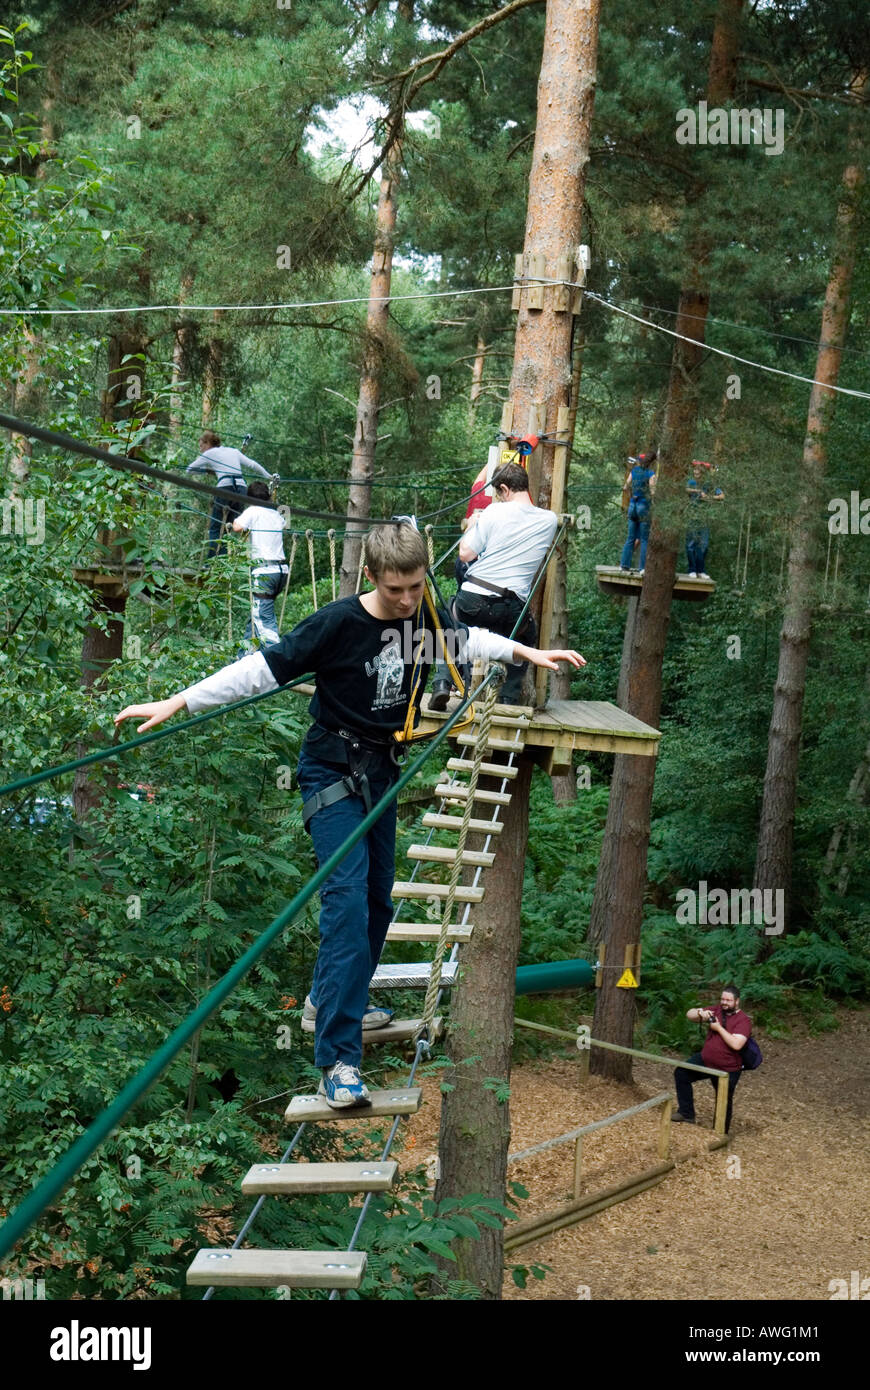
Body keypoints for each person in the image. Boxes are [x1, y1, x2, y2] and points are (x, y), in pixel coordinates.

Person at [114, 522, 585, 1110]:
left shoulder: (423, 619)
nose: (408, 600)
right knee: (347, 905)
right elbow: (259, 670)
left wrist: (527, 652)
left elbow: (465, 642)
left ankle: (331, 997)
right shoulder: (337, 625)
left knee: (379, 902)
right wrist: (179, 700)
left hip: (382, 773)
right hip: (333, 775)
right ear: (371, 578)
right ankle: (338, 1059)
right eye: (396, 591)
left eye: (416, 587)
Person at [430, 462, 560, 709]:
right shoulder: (549, 520)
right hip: (513, 610)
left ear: (504, 489)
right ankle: (508, 698)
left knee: (450, 624)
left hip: (474, 600)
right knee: (525, 639)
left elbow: (466, 554)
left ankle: (442, 683)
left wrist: (472, 525)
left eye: (499, 493)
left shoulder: (492, 512)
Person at [673, 985, 751, 1134]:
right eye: (722, 999)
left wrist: (719, 1028)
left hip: (728, 1068)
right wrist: (700, 1013)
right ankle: (686, 1113)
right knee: (681, 1073)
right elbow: (689, 1014)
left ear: (737, 1001)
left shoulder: (744, 1021)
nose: (724, 1002)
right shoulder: (716, 1010)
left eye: (728, 1000)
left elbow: (736, 1044)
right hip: (706, 1060)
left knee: (724, 1099)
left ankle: (720, 1132)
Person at [186, 431, 277, 558]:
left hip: (224, 488)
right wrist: (269, 476)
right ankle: (224, 562)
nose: (201, 449)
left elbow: (189, 470)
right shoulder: (233, 451)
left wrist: (207, 471)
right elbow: (252, 464)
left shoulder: (209, 453)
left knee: (216, 528)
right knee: (229, 528)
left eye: (201, 446)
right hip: (241, 489)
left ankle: (213, 562)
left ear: (207, 443)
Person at [232, 481, 289, 652]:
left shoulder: (253, 510)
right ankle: (243, 658)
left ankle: (277, 658)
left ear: (250, 498)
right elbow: (286, 525)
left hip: (264, 572)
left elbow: (237, 527)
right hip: (281, 572)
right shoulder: (276, 514)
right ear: (268, 496)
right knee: (256, 614)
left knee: (262, 617)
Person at [618, 450, 657, 575]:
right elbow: (652, 492)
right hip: (643, 507)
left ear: (640, 461)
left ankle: (624, 565)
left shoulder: (634, 471)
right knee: (644, 539)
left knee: (630, 538)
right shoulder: (651, 473)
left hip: (632, 507)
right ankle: (642, 568)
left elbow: (625, 487)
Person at [685, 460, 724, 578]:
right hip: (692, 516)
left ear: (702, 473)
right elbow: (686, 489)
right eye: (695, 470)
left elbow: (722, 495)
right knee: (691, 543)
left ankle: (701, 570)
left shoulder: (708, 484)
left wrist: (708, 497)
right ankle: (692, 569)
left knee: (704, 544)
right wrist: (697, 491)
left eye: (698, 471)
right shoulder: (691, 482)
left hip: (704, 517)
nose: (696, 472)